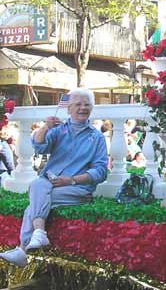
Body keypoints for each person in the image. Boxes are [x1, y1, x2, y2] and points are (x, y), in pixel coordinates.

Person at [0, 87, 108, 268]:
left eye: (86, 104)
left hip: (76, 189)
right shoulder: (59, 130)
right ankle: (38, 234)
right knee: (37, 185)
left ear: (91, 107)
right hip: (49, 183)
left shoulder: (96, 137)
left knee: (34, 203)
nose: (82, 108)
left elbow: (101, 171)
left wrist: (71, 180)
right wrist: (45, 127)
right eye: (78, 104)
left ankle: (23, 248)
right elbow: (40, 147)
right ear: (69, 109)